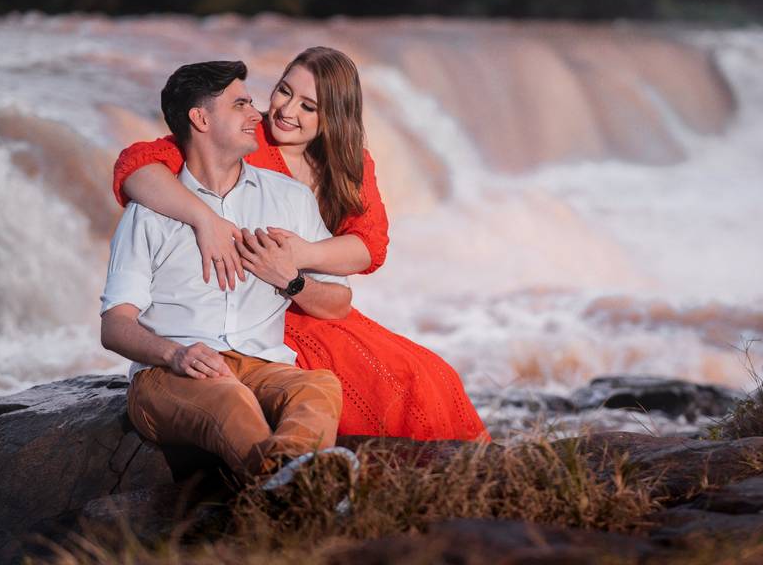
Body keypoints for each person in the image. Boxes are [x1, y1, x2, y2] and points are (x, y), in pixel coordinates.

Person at [112, 47, 490, 442]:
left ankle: (461, 468)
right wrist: (205, 219)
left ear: (333, 118)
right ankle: (318, 469)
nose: (286, 111)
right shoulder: (241, 138)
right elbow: (135, 167)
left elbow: (370, 248)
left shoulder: (348, 165)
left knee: (424, 371)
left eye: (308, 106)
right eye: (283, 91)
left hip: (306, 293)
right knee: (342, 375)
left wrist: (298, 256)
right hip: (255, 310)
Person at [100, 60, 353, 482]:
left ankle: (290, 482)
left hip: (262, 364)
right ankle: (296, 490)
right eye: (240, 105)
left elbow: (338, 302)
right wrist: (175, 354)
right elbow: (114, 326)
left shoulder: (290, 199)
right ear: (200, 118)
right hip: (170, 374)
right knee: (228, 398)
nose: (258, 115)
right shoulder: (150, 210)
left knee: (319, 386)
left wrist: (291, 280)